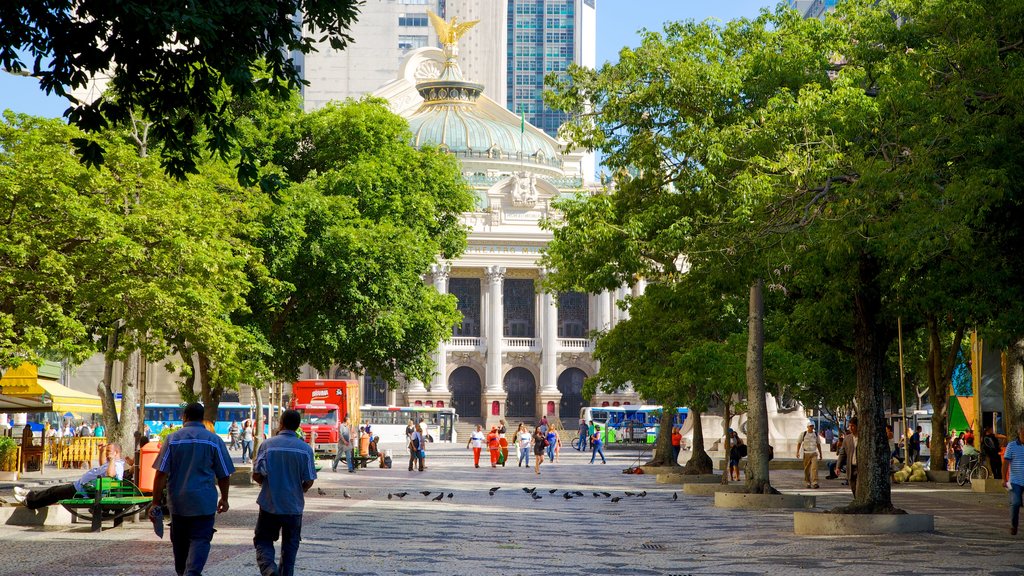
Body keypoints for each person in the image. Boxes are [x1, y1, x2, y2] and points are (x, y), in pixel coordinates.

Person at [152, 403, 234, 576]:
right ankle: (193, 572)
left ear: (184, 417)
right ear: (201, 417)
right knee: (201, 538)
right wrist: (224, 498)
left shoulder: (173, 439)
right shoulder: (214, 440)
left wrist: (155, 502)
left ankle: (184, 572)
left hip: (179, 502)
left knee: (180, 543)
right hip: (204, 502)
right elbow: (224, 475)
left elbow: (161, 473)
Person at [252, 409, 316, 576]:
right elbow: (309, 480)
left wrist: (266, 484)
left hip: (269, 503)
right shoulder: (305, 449)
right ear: (297, 426)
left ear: (281, 423)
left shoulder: (267, 445)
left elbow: (257, 474)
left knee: (263, 539)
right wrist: (299, 489)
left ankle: (269, 569)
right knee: (290, 546)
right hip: (293, 506)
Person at [13, 443, 125, 508]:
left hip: (84, 491)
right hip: (84, 488)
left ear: (116, 452)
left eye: (109, 451)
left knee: (55, 493)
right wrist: (102, 452)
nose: (107, 453)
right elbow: (102, 467)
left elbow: (110, 475)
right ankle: (29, 494)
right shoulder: (113, 463)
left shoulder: (116, 465)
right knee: (54, 490)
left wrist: (111, 460)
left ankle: (30, 501)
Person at [1000, 423, 1024, 535]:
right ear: (1019, 432)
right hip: (1015, 481)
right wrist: (1004, 479)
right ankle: (1014, 525)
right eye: (1023, 431)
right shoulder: (1012, 445)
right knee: (1015, 503)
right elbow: (1005, 463)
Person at [797, 423, 822, 489]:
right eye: (810, 426)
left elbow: (818, 444)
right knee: (807, 469)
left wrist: (820, 453)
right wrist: (797, 452)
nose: (812, 427)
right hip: (806, 453)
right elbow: (799, 443)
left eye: (812, 426)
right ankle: (807, 482)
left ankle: (814, 482)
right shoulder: (803, 434)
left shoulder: (816, 434)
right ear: (807, 427)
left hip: (814, 453)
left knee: (814, 468)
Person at [845, 417, 859, 496]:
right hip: (851, 467)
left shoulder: (863, 438)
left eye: (852, 426)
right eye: (849, 426)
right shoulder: (847, 438)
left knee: (859, 487)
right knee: (853, 487)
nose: (850, 428)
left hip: (860, 467)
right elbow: (842, 453)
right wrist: (838, 466)